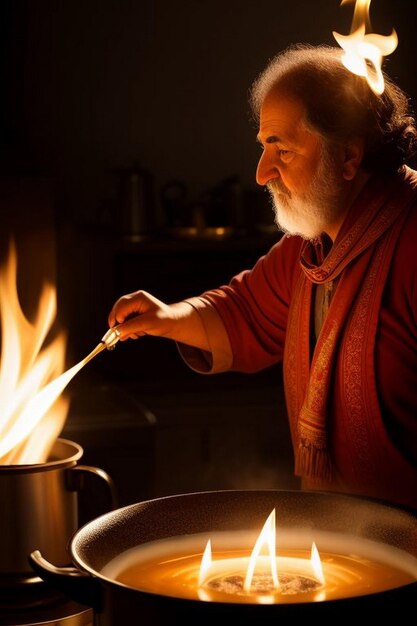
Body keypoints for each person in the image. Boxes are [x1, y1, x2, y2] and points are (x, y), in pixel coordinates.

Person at [108, 44, 417, 510]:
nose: (261, 173)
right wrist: (167, 316)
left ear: (349, 157)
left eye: (283, 149)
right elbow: (245, 311)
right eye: (264, 147)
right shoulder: (309, 248)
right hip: (345, 543)